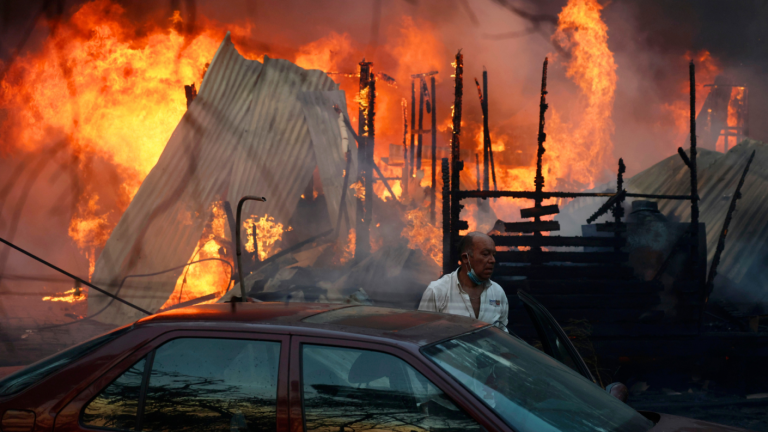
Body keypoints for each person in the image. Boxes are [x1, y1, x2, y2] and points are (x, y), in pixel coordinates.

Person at [418, 232, 508, 331]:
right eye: (485, 254)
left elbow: (502, 333)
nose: (492, 260)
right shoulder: (437, 291)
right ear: (466, 258)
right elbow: (423, 335)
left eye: (493, 255)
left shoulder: (497, 292)